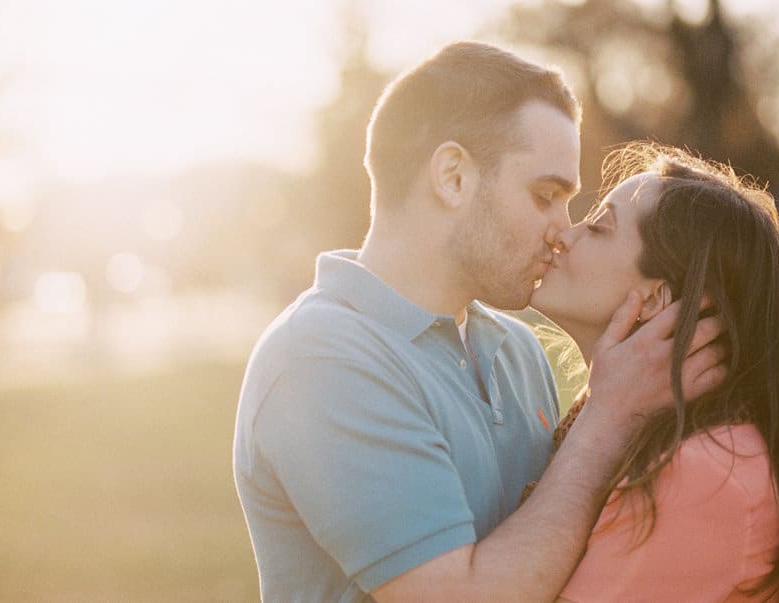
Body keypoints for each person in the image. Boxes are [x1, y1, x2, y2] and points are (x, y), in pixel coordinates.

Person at [233, 41, 724, 602]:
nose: (563, 230)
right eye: (545, 195)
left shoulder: (517, 349)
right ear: (453, 177)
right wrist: (608, 417)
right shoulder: (320, 358)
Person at [529, 142, 779, 601]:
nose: (563, 234)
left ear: (656, 299)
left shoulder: (702, 473)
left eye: (598, 227)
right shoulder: (640, 435)